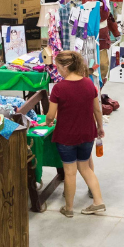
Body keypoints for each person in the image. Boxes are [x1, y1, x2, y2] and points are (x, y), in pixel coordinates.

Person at [47, 50, 106, 217]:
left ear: (65, 67)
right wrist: (100, 127)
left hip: (66, 136)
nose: (57, 70)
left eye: (58, 67)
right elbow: (97, 110)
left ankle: (69, 208)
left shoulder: (59, 88)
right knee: (85, 168)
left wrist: (49, 121)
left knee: (70, 171)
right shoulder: (89, 84)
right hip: (87, 133)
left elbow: (51, 115)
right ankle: (98, 201)